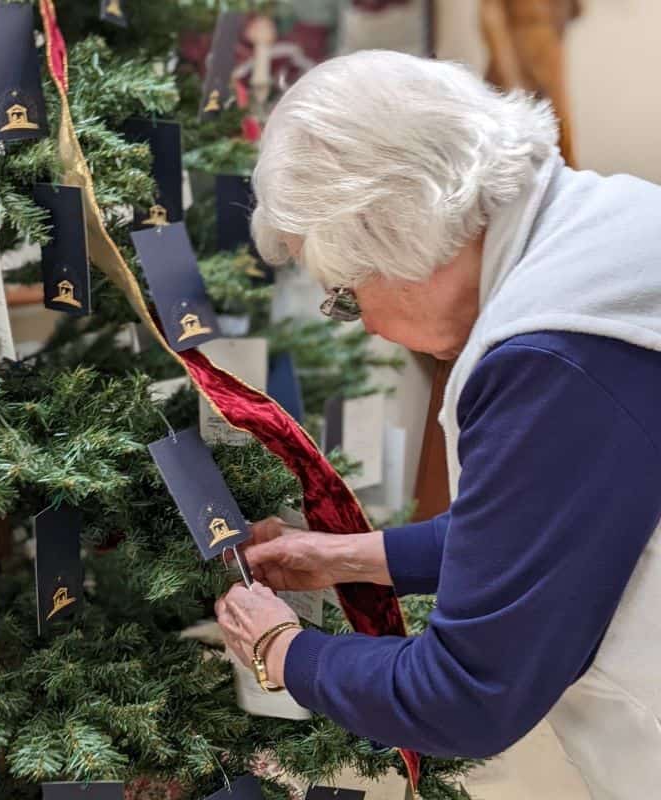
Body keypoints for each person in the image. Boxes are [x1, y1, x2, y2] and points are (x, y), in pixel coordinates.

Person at [214, 50, 661, 799]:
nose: (365, 328)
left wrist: (281, 651)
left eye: (347, 296)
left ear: (395, 243)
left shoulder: (551, 356)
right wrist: (353, 556)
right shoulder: (608, 226)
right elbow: (547, 525)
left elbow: (466, 695)